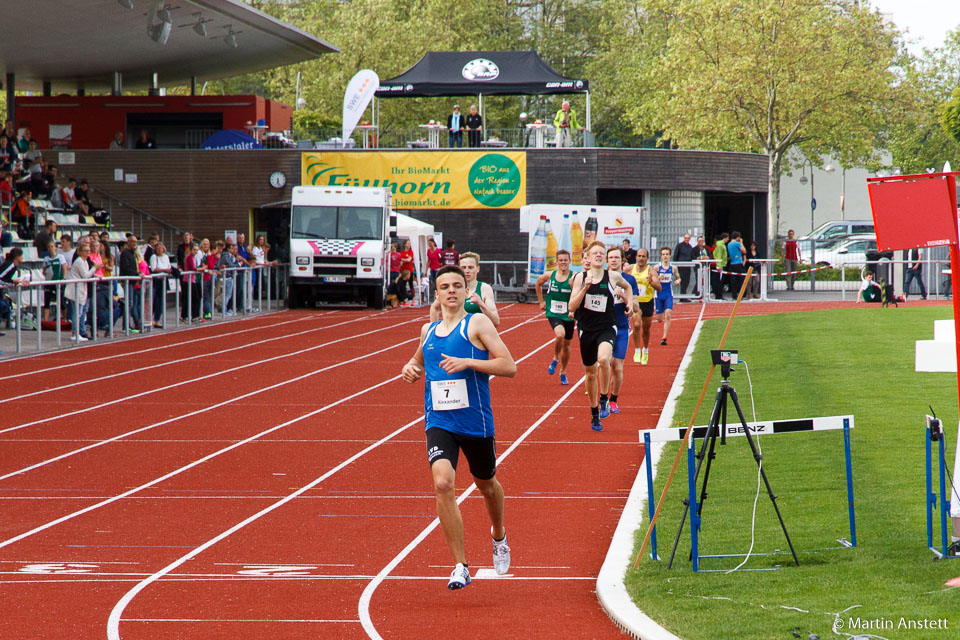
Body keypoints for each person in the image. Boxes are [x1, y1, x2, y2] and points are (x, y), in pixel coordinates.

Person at [400, 264, 516, 589]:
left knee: (487, 485)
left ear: (467, 291)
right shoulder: (429, 331)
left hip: (475, 423)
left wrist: (469, 362)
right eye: (444, 287)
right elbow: (418, 361)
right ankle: (460, 565)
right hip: (439, 420)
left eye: (457, 285)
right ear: (436, 294)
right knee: (442, 484)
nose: (451, 291)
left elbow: (509, 366)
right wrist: (410, 368)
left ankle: (498, 534)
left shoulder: (476, 323)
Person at [569, 241, 635, 431]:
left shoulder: (613, 276)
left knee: (604, 359)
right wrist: (584, 289)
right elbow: (571, 307)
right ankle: (594, 412)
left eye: (601, 253)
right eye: (595, 253)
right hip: (586, 330)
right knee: (590, 374)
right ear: (587, 258)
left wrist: (629, 304)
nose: (598, 255)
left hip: (607, 326)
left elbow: (628, 287)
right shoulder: (580, 278)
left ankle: (605, 398)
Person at [604, 246, 639, 415]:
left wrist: (625, 297)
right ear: (606, 260)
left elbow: (636, 308)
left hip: (622, 328)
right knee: (605, 362)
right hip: (603, 328)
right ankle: (603, 397)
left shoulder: (629, 281)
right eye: (610, 257)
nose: (613, 260)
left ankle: (613, 400)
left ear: (622, 260)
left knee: (617, 367)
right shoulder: (600, 278)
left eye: (616, 257)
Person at [535, 248, 574, 386]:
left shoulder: (574, 277)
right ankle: (555, 358)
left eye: (565, 260)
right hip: (553, 312)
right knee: (560, 335)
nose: (563, 262)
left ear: (570, 261)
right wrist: (541, 301)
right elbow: (538, 283)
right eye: (561, 260)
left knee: (567, 346)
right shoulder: (549, 275)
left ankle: (563, 371)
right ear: (556, 262)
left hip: (568, 314)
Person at [431, 252, 499, 327]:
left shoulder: (484, 288)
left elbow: (496, 322)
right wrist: (434, 329)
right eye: (463, 268)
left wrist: (481, 304)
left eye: (470, 267)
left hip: (477, 335)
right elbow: (434, 307)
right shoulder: (452, 290)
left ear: (478, 269)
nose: (467, 271)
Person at [630, 248, 662, 365]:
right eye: (639, 256)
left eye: (643, 256)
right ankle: (637, 350)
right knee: (637, 325)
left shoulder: (651, 271)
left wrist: (651, 282)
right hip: (636, 302)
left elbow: (659, 288)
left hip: (647, 301)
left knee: (646, 329)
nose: (641, 258)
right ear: (636, 257)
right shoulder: (630, 269)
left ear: (647, 258)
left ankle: (646, 349)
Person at [63, 243, 97, 341]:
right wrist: (95, 268)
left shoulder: (85, 262)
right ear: (81, 252)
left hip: (81, 290)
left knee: (79, 312)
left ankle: (76, 332)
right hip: (75, 290)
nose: (88, 253)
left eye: (89, 251)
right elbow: (85, 275)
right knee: (76, 313)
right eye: (86, 251)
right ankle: (75, 333)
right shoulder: (79, 261)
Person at [655, 247, 681, 345]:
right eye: (663, 254)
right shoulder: (657, 268)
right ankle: (660, 316)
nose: (665, 256)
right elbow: (650, 280)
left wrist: (678, 281)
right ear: (661, 256)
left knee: (668, 314)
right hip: (658, 295)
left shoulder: (673, 268)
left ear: (670, 255)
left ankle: (664, 337)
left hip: (668, 294)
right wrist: (658, 277)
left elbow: (678, 277)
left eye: (667, 254)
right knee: (659, 319)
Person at [119, 234, 142, 331]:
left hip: (133, 281)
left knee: (131, 303)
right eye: (132, 241)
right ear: (128, 243)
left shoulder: (134, 253)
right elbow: (126, 268)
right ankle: (126, 325)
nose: (134, 244)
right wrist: (137, 274)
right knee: (129, 303)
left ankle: (128, 324)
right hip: (128, 281)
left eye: (136, 242)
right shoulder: (125, 253)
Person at [149, 242, 172, 327]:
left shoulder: (166, 257)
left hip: (163, 280)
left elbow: (169, 266)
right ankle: (149, 319)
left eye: (161, 248)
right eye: (158, 248)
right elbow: (154, 268)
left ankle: (157, 320)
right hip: (155, 281)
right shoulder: (154, 257)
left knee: (161, 301)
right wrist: (165, 270)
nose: (160, 250)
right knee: (153, 300)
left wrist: (166, 270)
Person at [711, 232, 729, 300]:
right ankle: (718, 295)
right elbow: (718, 255)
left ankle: (719, 295)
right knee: (719, 281)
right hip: (720, 265)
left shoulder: (722, 245)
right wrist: (718, 265)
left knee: (720, 280)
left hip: (722, 264)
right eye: (727, 238)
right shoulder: (720, 245)